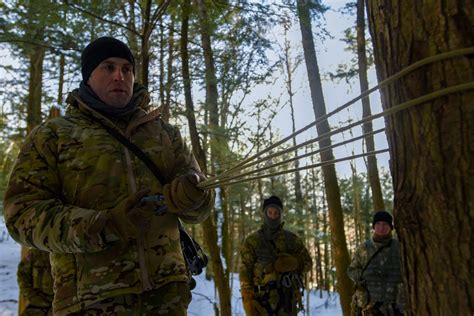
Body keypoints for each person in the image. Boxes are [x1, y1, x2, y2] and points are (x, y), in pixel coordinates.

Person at [4, 36, 215, 315]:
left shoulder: (164, 134)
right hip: (90, 301)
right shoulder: (54, 136)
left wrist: (193, 196)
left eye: (127, 69)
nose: (120, 76)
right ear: (88, 75)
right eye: (108, 67)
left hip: (168, 298)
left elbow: (202, 199)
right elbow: (22, 215)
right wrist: (102, 225)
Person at [239, 195, 312, 316]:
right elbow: (245, 270)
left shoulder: (292, 240)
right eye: (270, 212)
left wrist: (295, 262)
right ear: (265, 214)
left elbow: (308, 263)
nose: (273, 216)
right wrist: (247, 300)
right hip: (260, 301)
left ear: (280, 214)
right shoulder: (252, 241)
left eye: (276, 213)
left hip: (287, 302)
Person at [347, 211, 405, 316]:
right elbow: (351, 270)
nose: (381, 227)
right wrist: (365, 275)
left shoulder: (400, 247)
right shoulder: (364, 248)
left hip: (395, 305)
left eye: (385, 224)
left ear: (390, 227)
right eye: (378, 224)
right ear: (374, 226)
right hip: (370, 305)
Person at [17, 248, 54, 316]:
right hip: (38, 303)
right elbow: (23, 275)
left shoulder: (69, 252)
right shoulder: (35, 253)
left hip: (64, 303)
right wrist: (32, 296)